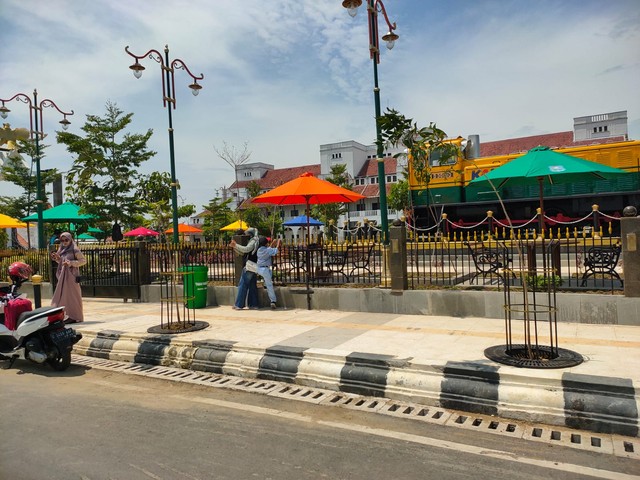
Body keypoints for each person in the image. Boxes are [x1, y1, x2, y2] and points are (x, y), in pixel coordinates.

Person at [51, 232, 86, 324]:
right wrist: (56, 258)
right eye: (62, 240)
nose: (64, 242)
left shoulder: (75, 249)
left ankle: (75, 316)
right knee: (64, 296)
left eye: (66, 240)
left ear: (70, 239)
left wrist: (70, 263)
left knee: (73, 296)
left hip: (72, 276)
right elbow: (61, 261)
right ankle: (65, 316)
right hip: (63, 276)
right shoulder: (61, 249)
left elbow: (83, 261)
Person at [229, 228, 259, 310]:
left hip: (250, 266)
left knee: (243, 284)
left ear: (251, 234)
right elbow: (244, 252)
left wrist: (235, 245)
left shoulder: (253, 240)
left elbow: (246, 249)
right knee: (252, 285)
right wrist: (235, 247)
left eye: (247, 234)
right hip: (255, 265)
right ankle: (253, 304)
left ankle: (239, 304)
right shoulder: (256, 240)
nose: (246, 236)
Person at [257, 236, 281, 309]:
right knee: (269, 285)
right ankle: (273, 301)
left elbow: (268, 250)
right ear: (266, 243)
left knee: (269, 273)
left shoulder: (259, 250)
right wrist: (278, 244)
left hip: (259, 268)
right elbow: (276, 251)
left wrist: (271, 244)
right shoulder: (267, 250)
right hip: (265, 269)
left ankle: (264, 284)